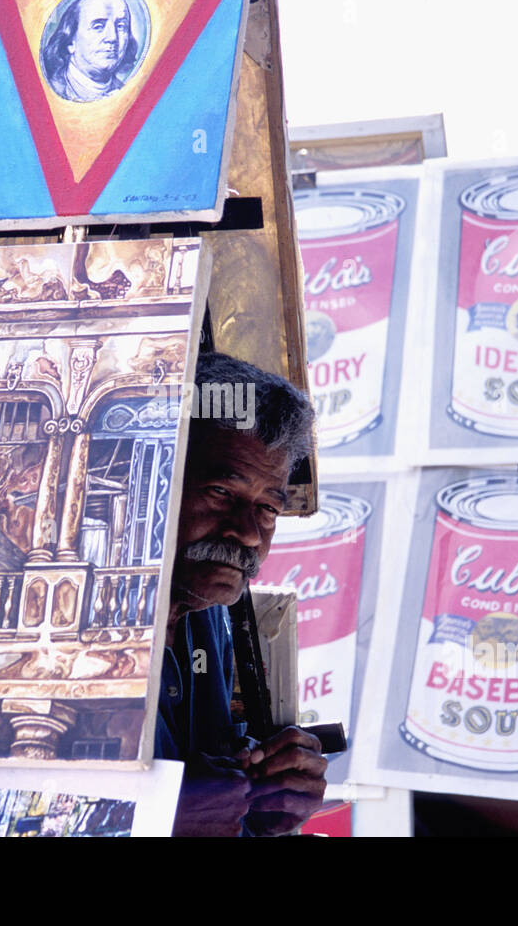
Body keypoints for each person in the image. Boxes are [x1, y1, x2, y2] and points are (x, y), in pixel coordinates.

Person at [159, 351, 328, 836]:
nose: (250, 533)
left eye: (267, 509)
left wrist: (270, 800)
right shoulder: (73, 621)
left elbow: (217, 797)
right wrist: (153, 816)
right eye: (221, 492)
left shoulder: (211, 614)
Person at [42, 0, 139, 102]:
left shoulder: (128, 92)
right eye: (98, 27)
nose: (112, 37)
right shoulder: (50, 90)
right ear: (70, 41)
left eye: (121, 26)